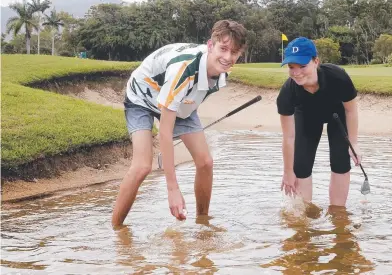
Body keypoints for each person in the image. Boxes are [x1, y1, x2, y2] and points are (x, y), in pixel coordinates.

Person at [111, 20, 248, 227]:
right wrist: (172, 189)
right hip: (142, 96)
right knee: (142, 166)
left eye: (234, 52)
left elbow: (192, 95)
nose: (228, 57)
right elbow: (165, 133)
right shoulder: (183, 71)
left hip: (179, 101)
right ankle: (116, 231)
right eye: (223, 49)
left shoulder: (222, 69)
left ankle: (203, 224)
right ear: (210, 46)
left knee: (205, 162)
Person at [276, 37, 362, 206]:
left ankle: (338, 214)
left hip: (338, 116)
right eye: (291, 67)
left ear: (316, 61)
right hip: (307, 117)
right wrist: (288, 172)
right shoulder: (287, 93)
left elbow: (351, 110)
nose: (296, 72)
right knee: (300, 166)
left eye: (302, 66)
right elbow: (289, 137)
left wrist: (354, 143)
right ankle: (305, 219)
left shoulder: (338, 77)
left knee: (340, 161)